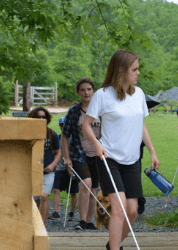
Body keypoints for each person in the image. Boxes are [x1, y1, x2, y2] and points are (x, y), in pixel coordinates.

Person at [83, 49, 160, 250]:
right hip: (109, 159)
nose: (138, 73)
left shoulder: (139, 94)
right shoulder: (102, 95)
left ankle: (113, 244)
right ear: (122, 71)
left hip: (132, 160)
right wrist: (97, 144)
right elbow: (86, 124)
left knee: (133, 211)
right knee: (119, 209)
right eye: (135, 69)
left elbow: (141, 125)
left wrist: (152, 151)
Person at [62, 78, 100, 230]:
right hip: (79, 154)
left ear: (93, 91)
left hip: (98, 154)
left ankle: (90, 222)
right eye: (83, 90)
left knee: (93, 189)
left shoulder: (100, 110)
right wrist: (66, 158)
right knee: (86, 183)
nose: (86, 92)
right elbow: (65, 135)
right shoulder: (73, 111)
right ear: (78, 93)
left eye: (89, 89)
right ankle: (82, 220)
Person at [28, 106, 61, 224]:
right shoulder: (28, 134)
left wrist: (53, 165)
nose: (41, 119)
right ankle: (34, 225)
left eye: (44, 117)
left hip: (48, 171)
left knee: (44, 197)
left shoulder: (52, 134)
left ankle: (42, 225)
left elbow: (58, 152)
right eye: (38, 117)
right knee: (35, 200)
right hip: (33, 172)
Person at [51, 116, 79, 220]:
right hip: (59, 168)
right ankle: (56, 211)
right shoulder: (57, 138)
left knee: (73, 192)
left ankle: (71, 212)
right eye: (62, 125)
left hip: (72, 169)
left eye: (66, 125)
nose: (64, 127)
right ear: (60, 126)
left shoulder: (75, 139)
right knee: (55, 189)